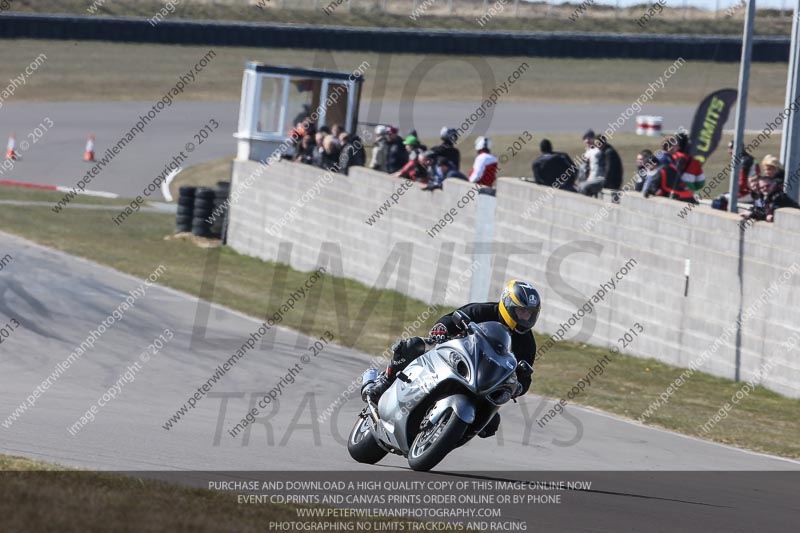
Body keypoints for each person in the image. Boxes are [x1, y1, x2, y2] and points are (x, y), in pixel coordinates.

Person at [362, 280, 541, 439]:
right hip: (456, 356)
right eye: (521, 311)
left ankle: (448, 434)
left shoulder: (527, 344)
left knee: (491, 423)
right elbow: (450, 319)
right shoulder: (483, 310)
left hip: (484, 380)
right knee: (411, 346)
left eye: (530, 314)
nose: (525, 318)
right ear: (508, 304)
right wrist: (441, 328)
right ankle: (384, 382)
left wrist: (519, 387)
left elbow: (525, 375)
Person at [577, 129, 602, 196]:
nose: (587, 140)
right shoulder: (588, 152)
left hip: (594, 180)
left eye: (589, 138)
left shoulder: (597, 151)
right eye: (585, 138)